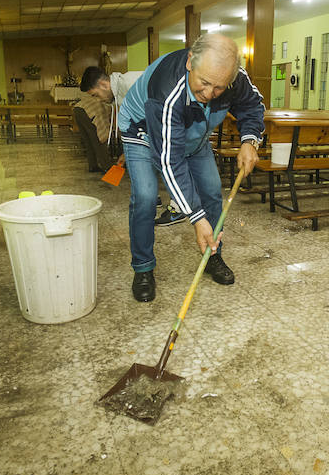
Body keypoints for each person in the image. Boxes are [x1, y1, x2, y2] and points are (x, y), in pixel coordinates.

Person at [117, 33, 264, 302]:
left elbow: (251, 105)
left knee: (210, 190)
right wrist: (195, 217)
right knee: (147, 197)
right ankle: (143, 267)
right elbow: (170, 162)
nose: (209, 94)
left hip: (192, 134)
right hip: (142, 132)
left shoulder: (233, 79)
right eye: (204, 83)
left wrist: (249, 140)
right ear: (189, 63)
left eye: (219, 88)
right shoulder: (167, 93)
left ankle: (212, 255)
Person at [80, 66, 187, 225]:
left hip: (172, 119)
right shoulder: (120, 91)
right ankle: (152, 197)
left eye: (96, 95)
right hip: (156, 124)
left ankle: (179, 208)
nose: (98, 99)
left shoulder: (129, 83)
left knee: (165, 160)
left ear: (103, 84)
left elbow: (159, 105)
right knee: (146, 155)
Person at [75, 67, 114, 172]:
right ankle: (107, 167)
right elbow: (103, 133)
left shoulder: (106, 98)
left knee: (88, 140)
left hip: (77, 109)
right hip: (88, 112)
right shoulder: (107, 102)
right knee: (98, 140)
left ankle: (92, 166)